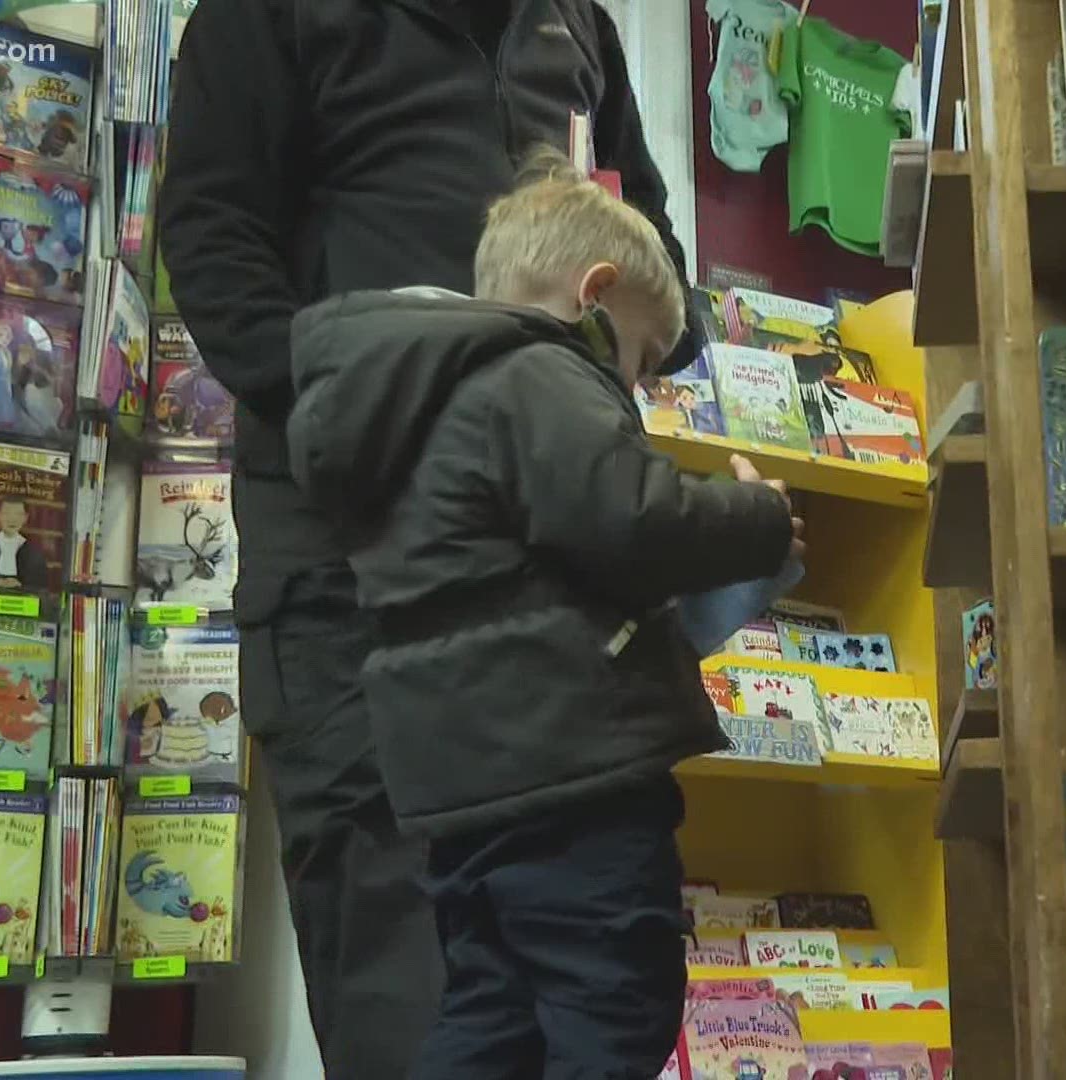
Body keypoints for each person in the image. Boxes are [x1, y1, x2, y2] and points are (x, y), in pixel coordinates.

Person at [158, 3, 702, 1073]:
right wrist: (396, 406)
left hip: (560, 614)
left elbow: (659, 258)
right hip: (357, 587)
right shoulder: (268, 16)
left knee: (602, 997)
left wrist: (607, 376)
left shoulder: (578, 26)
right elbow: (215, 251)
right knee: (413, 1009)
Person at [284, 154, 799, 1078]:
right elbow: (629, 515)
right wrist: (756, 518)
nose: (631, 393)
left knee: (492, 1010)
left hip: (460, 793)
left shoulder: (408, 410)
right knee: (615, 1002)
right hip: (571, 773)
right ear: (592, 294)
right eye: (637, 361)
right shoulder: (539, 370)